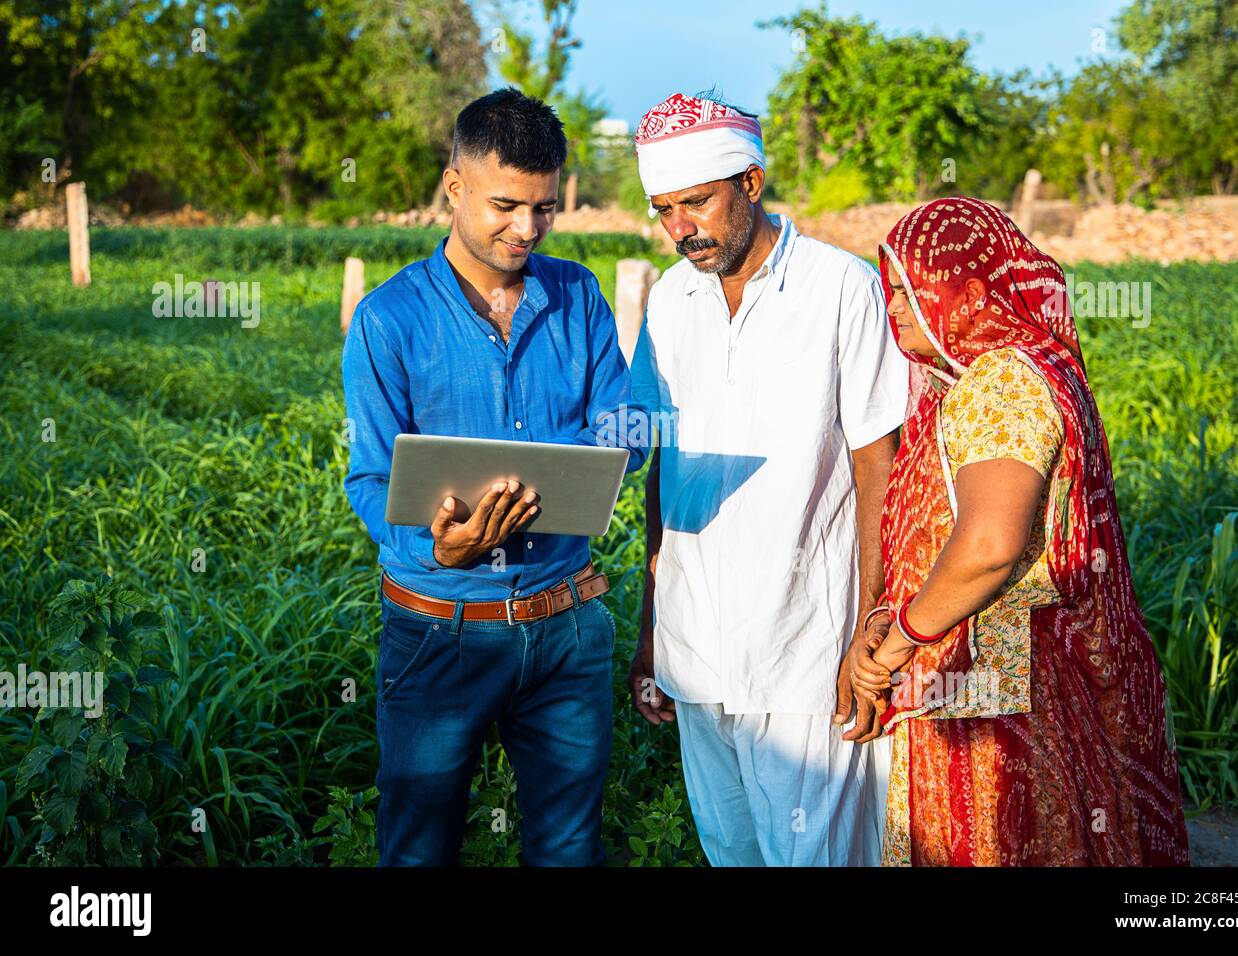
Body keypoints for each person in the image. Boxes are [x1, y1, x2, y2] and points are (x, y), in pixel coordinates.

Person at [341, 88, 648, 866]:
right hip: (438, 629)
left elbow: (624, 428)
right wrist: (438, 545)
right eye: (506, 205)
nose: (526, 229)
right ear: (455, 187)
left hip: (566, 627)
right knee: (418, 848)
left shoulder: (578, 294)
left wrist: (594, 455)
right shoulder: (389, 319)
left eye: (544, 209)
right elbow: (371, 477)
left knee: (570, 848)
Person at [849, 196, 1190, 866]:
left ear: (968, 294)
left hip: (998, 693)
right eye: (887, 292)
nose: (890, 309)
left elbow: (987, 546)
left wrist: (898, 644)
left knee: (1002, 838)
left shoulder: (1001, 380)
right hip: (1037, 671)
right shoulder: (1039, 365)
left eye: (906, 292)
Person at [627, 92, 909, 866]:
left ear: (750, 183)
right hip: (694, 645)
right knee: (731, 849)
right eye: (664, 210)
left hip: (805, 645)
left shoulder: (840, 287)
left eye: (698, 202)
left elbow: (876, 461)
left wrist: (873, 623)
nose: (682, 228)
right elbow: (660, 462)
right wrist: (652, 623)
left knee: (815, 855)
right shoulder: (670, 300)